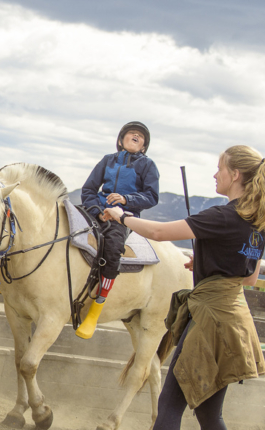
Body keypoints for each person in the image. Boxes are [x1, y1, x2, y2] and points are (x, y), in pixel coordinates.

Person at [102, 145, 265, 429]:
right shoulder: (259, 222)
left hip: (209, 320)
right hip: (234, 319)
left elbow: (159, 233)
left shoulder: (223, 216)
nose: (215, 174)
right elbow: (248, 278)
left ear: (235, 174)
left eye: (220, 168)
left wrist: (121, 216)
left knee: (169, 406)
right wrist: (208, 260)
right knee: (209, 414)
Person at [69, 121, 160, 339]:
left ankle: (97, 307)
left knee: (112, 249)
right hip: (97, 209)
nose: (136, 136)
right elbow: (89, 188)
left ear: (144, 147)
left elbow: (151, 196)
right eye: (131, 133)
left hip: (124, 217)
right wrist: (97, 210)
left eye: (140, 136)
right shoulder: (107, 160)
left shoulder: (148, 166)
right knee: (67, 225)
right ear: (121, 140)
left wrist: (126, 200)